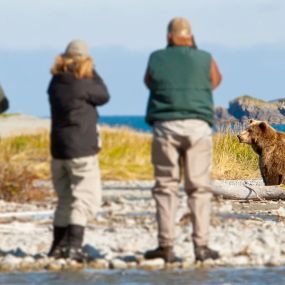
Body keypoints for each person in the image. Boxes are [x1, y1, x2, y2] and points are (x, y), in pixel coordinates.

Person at [143, 17, 222, 262]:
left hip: (166, 126)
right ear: (190, 36)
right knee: (199, 187)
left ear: (169, 36)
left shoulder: (156, 57)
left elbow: (149, 82)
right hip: (198, 127)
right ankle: (201, 246)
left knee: (166, 185)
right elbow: (216, 81)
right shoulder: (205, 57)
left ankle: (166, 246)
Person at [47, 40, 110, 261]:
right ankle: (74, 246)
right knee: (85, 198)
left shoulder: (54, 82)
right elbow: (103, 95)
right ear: (85, 61)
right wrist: (93, 71)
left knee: (64, 199)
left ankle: (57, 247)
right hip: (81, 149)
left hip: (58, 149)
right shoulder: (84, 83)